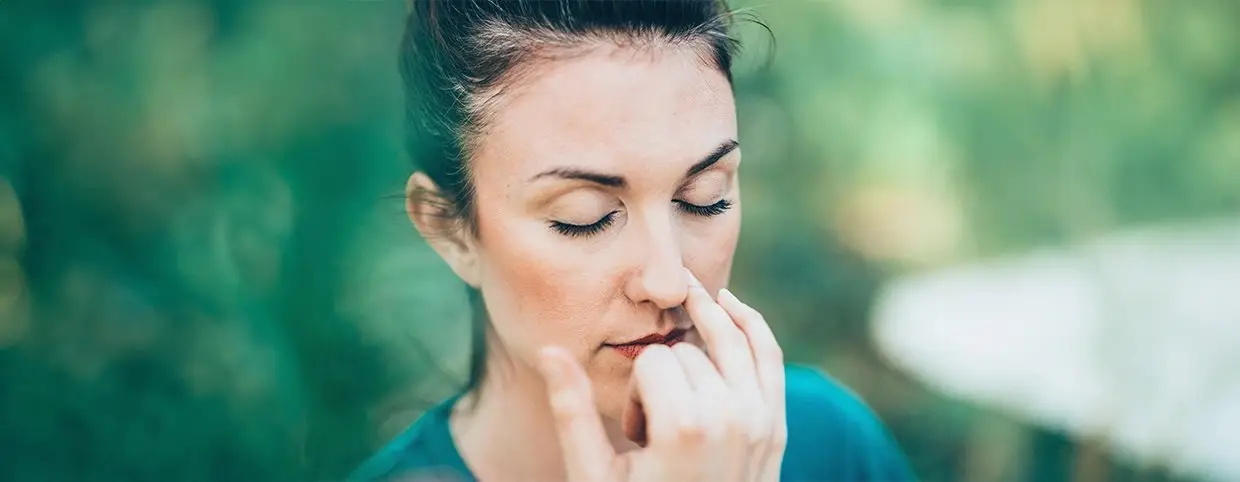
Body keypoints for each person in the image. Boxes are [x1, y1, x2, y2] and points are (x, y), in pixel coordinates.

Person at [351, 1, 916, 481]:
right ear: (450, 229)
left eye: (704, 197)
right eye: (585, 217)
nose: (669, 282)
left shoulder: (829, 445)